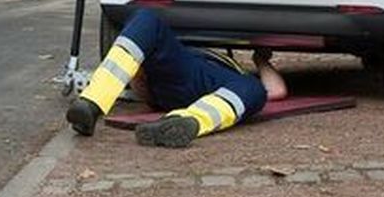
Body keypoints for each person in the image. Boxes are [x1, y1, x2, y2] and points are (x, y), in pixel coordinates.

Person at [66, 9, 288, 147]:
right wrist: (261, 60)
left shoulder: (235, 73)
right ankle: (92, 104)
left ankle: (184, 122)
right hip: (188, 74)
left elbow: (276, 92)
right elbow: (276, 91)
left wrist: (259, 60)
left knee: (252, 87)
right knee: (147, 17)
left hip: (192, 87)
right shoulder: (223, 68)